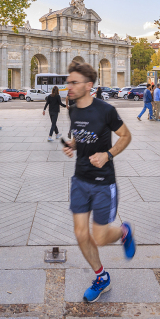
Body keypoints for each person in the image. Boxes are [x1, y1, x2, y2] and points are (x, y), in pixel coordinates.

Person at [61, 60, 136, 302]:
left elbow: (126, 136)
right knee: (81, 233)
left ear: (88, 85)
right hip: (80, 179)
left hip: (104, 182)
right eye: (68, 82)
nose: (68, 86)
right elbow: (80, 135)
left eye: (74, 83)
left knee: (100, 237)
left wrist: (108, 154)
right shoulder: (72, 109)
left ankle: (123, 232)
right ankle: (101, 277)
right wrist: (73, 145)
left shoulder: (106, 110)